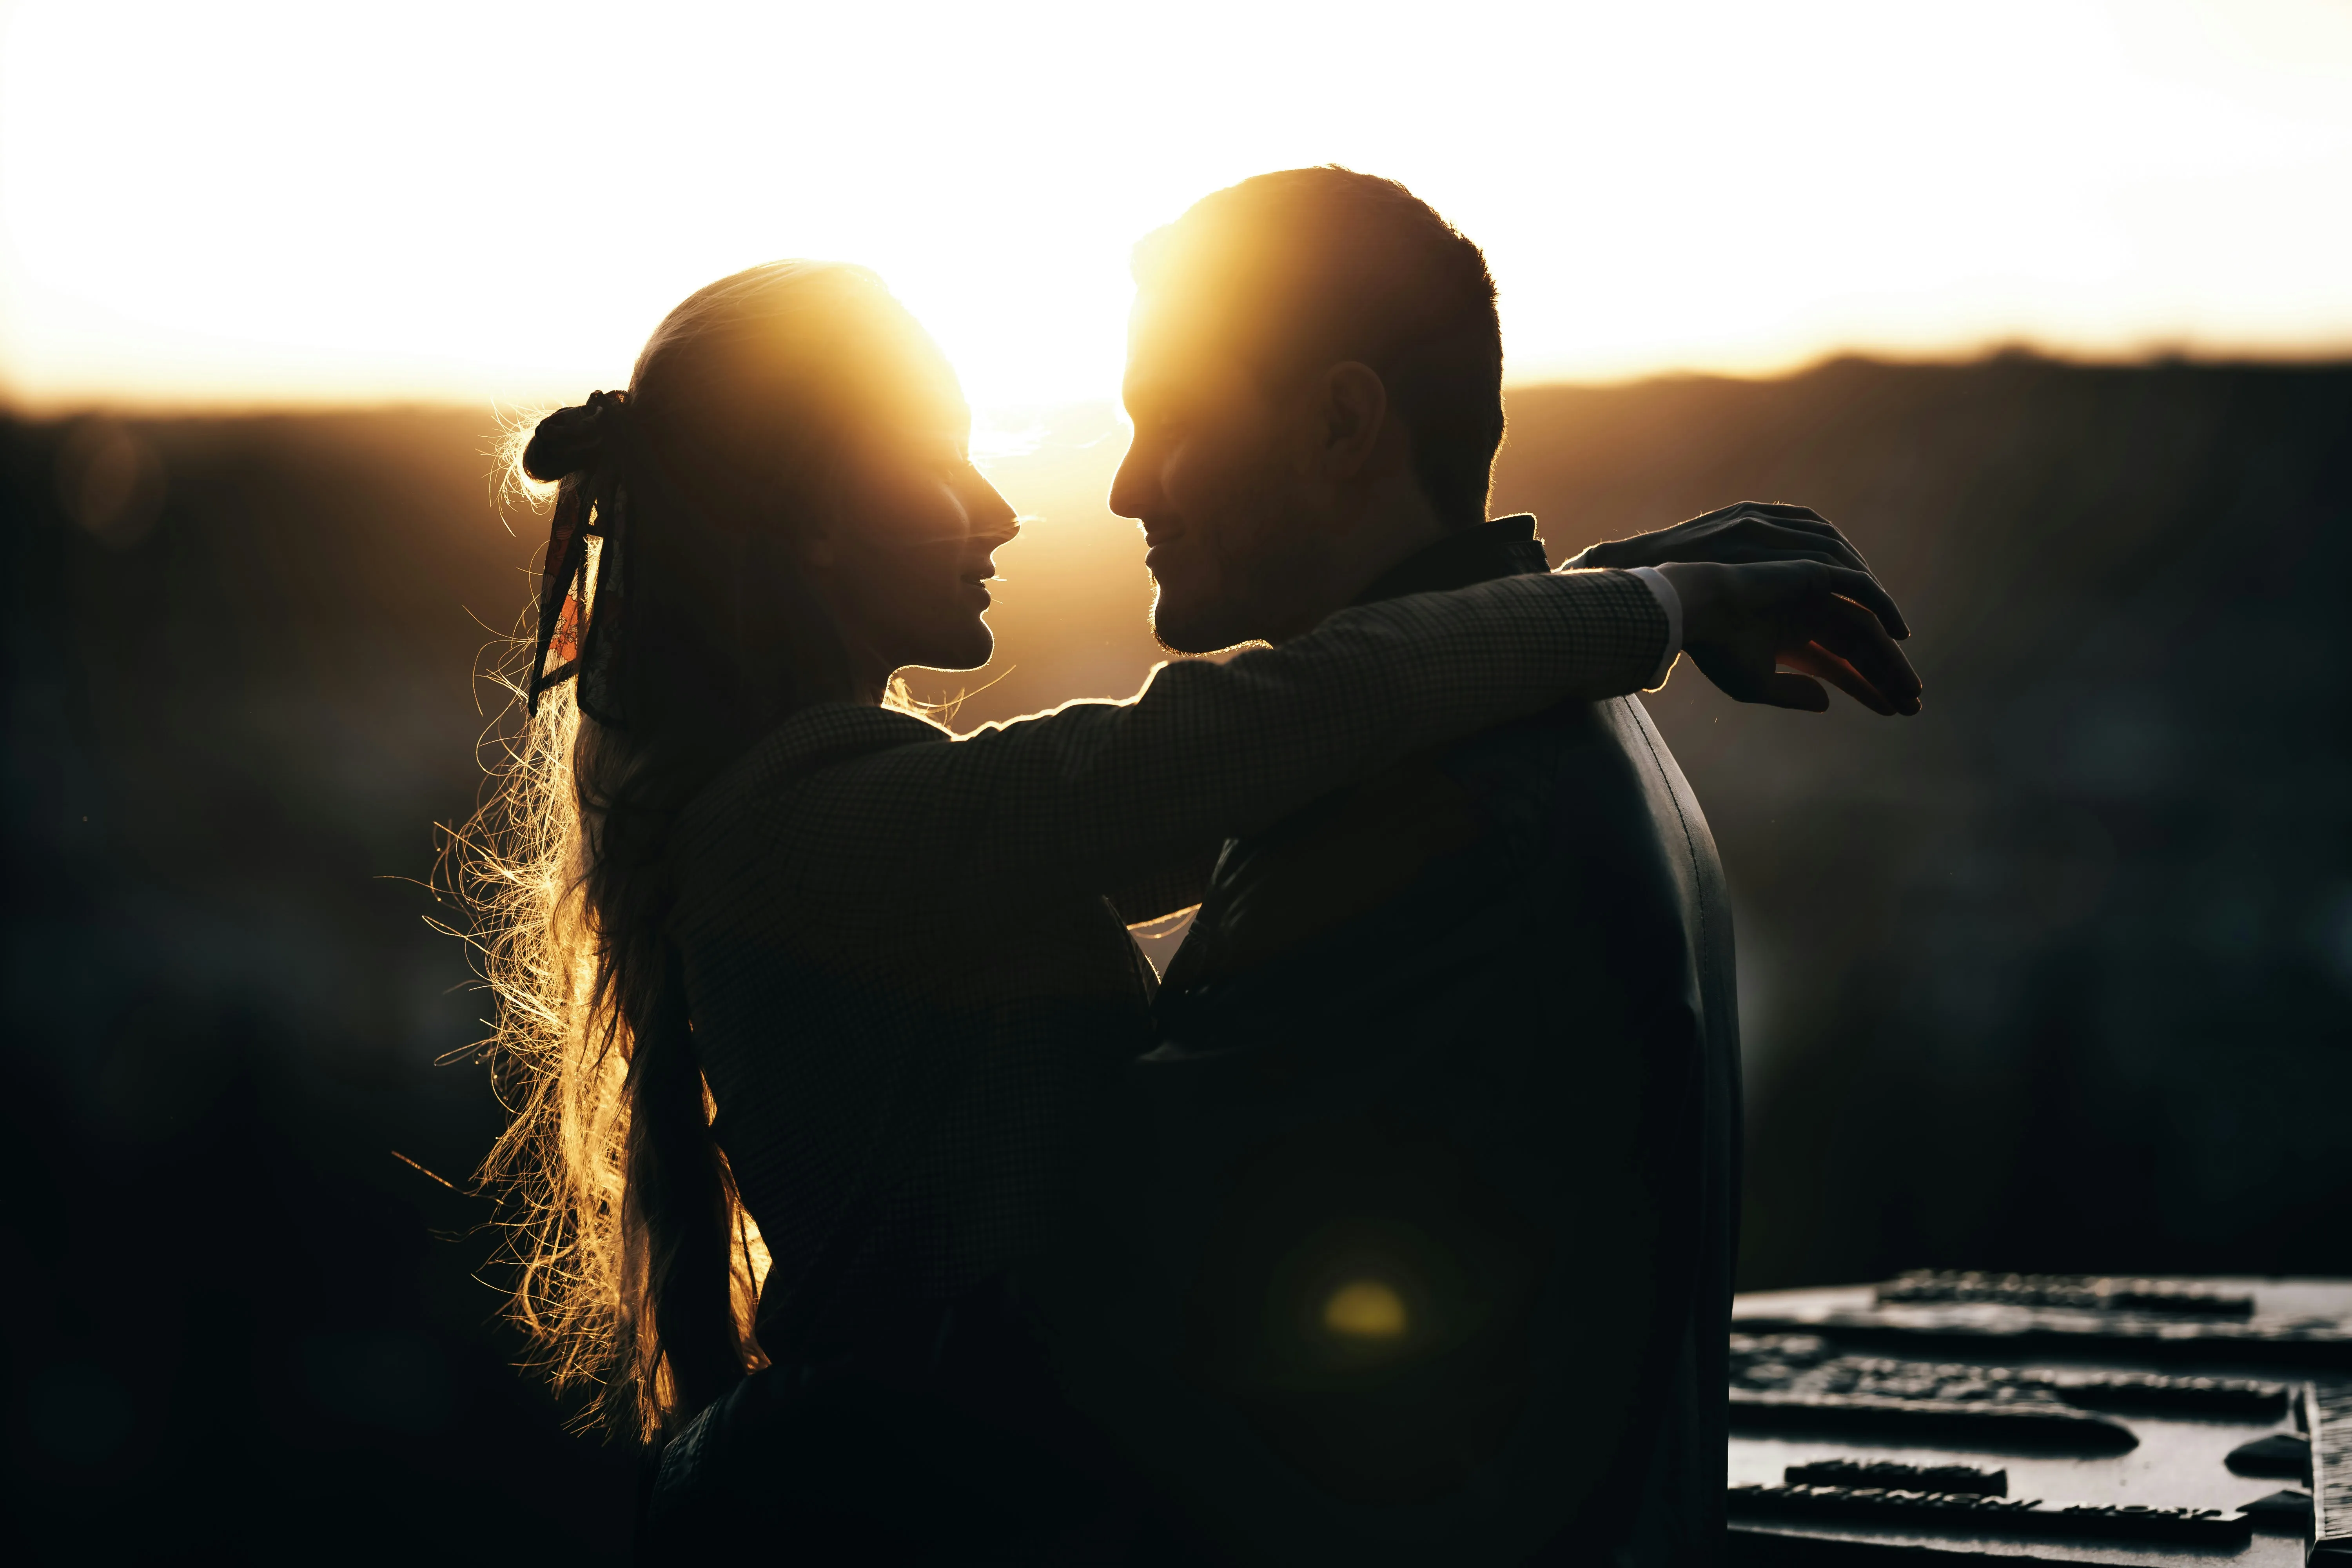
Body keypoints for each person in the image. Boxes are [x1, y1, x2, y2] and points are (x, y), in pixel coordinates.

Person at [460, 258, 1916, 1561]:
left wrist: (1596, 600)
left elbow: (1299, 740)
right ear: (816, 529)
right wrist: (1648, 605)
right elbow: (1250, 736)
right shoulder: (817, 826)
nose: (1003, 507)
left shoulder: (847, 823)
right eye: (936, 465)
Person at [1020, 168, 1918, 1566]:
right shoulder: (1545, 723)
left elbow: (1122, 1342)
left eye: (1171, 425)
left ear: (1340, 422)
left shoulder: (1427, 817)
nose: (1129, 485)